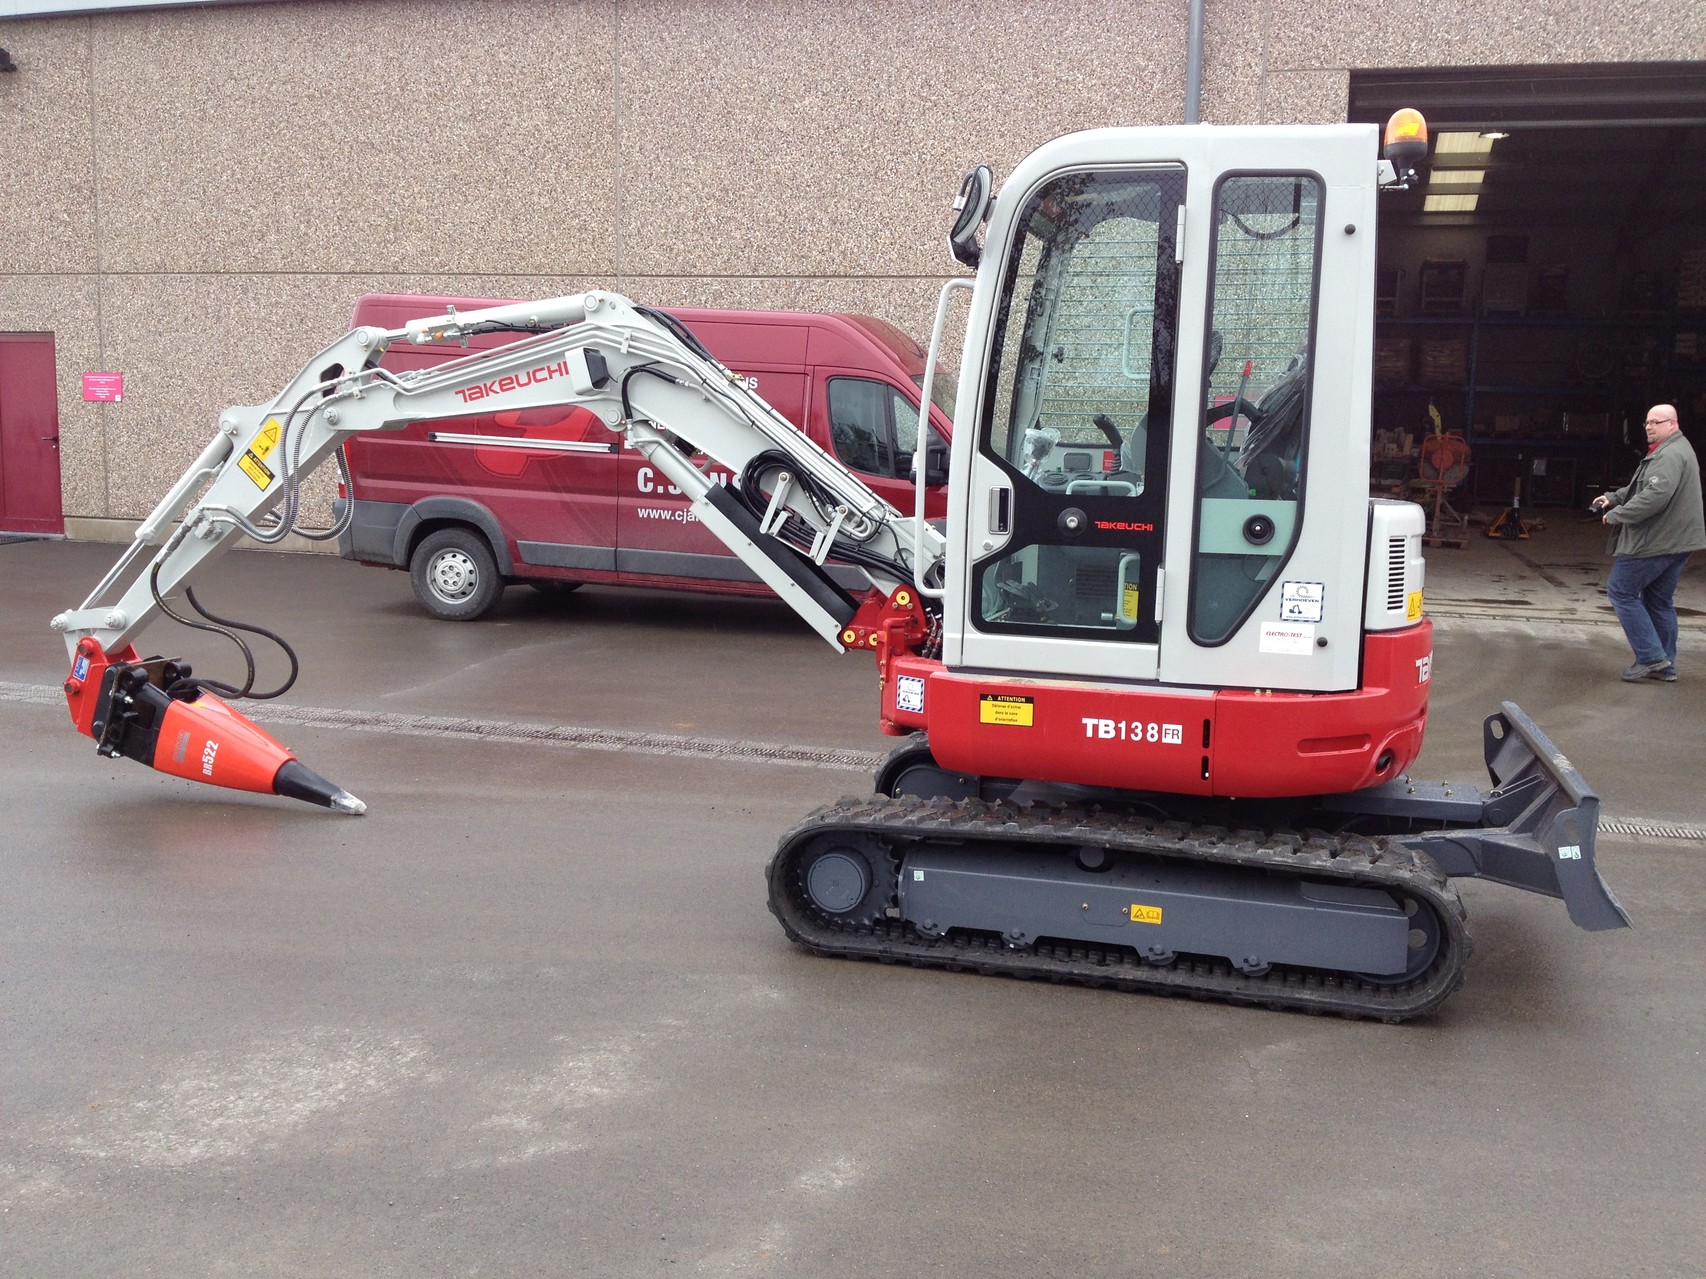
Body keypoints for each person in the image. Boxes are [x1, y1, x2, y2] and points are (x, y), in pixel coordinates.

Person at [1590, 404, 1705, 682]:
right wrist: (1615, 497)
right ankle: (1666, 665)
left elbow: (1656, 496)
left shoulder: (1669, 455)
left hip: (1657, 541)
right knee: (1658, 600)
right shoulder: (1673, 449)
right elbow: (1644, 486)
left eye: (1657, 422)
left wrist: (1618, 514)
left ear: (1672, 424)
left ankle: (1651, 657)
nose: (1649, 427)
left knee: (1621, 590)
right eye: (1647, 422)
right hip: (1679, 541)